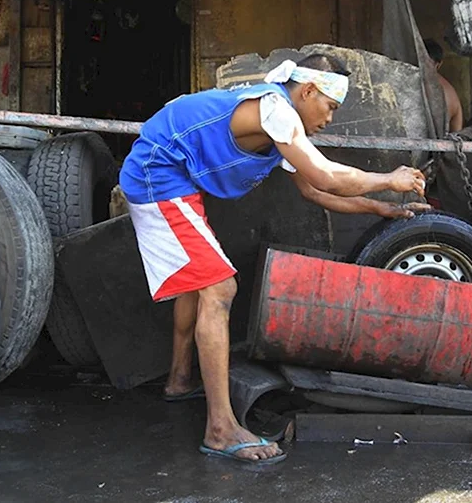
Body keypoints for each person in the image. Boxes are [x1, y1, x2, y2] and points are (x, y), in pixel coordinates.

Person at [118, 53, 430, 465]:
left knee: (200, 280)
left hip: (175, 178)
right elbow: (325, 176)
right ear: (308, 91)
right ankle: (220, 428)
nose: (331, 119)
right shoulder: (274, 110)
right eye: (330, 107)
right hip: (156, 174)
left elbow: (315, 192)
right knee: (219, 286)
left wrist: (381, 208)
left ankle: (179, 380)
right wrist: (390, 179)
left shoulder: (282, 121)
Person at [424, 39, 464, 133]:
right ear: (438, 64)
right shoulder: (451, 94)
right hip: (440, 146)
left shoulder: (404, 84)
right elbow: (457, 134)